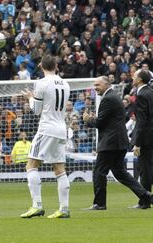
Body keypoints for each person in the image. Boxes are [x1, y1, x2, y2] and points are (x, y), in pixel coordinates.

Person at [83, 76, 152, 210]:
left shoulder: (108, 98)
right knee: (120, 173)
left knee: (99, 171)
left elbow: (99, 122)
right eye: (94, 85)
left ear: (107, 84)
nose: (95, 87)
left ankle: (100, 203)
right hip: (118, 142)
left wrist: (88, 119)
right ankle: (146, 195)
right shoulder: (113, 96)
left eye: (98, 85)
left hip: (110, 143)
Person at [20, 55, 71, 218]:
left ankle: (37, 205)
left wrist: (30, 99)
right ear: (56, 66)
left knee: (31, 165)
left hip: (47, 128)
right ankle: (64, 209)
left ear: (41, 66)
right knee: (59, 168)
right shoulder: (65, 83)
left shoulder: (41, 83)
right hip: (61, 128)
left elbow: (36, 110)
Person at [131, 70, 153, 208]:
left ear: (139, 79)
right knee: (149, 167)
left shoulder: (141, 95)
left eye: (134, 75)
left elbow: (141, 121)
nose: (132, 77)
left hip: (146, 138)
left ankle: (145, 201)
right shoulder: (150, 92)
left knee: (145, 168)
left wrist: (137, 143)